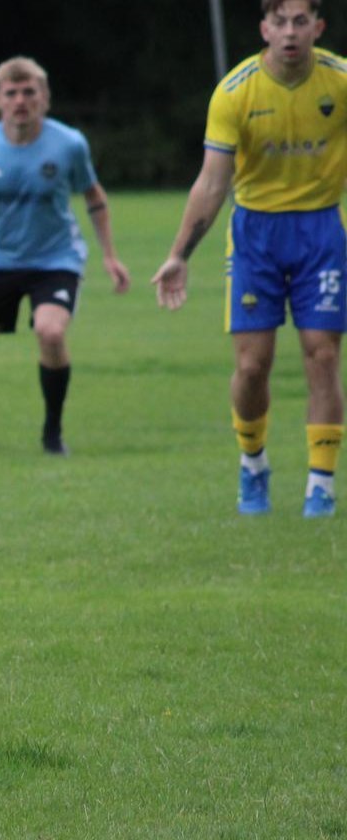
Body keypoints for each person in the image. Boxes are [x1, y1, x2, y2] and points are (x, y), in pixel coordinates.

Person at [154, 0, 347, 518]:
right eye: (279, 22)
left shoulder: (341, 81)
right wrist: (179, 254)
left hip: (322, 229)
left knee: (323, 355)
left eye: (300, 22)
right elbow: (213, 182)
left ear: (318, 28)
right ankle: (253, 463)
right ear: (264, 28)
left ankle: (321, 486)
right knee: (252, 365)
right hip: (256, 233)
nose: (290, 33)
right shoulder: (235, 92)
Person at [0, 56, 130, 456]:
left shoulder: (69, 144)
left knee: (51, 331)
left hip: (56, 260)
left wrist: (109, 256)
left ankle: (52, 435)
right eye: (11, 93)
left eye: (30, 92)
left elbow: (94, 197)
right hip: (0, 261)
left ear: (45, 98)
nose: (21, 100)